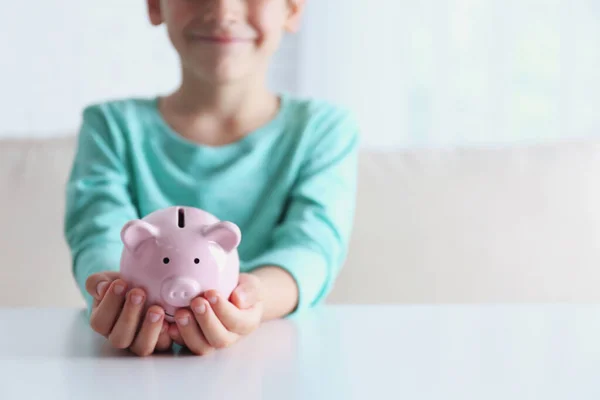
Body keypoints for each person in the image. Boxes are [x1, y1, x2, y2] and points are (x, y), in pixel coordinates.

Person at [63, 0, 360, 357]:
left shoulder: (322, 131)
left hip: (279, 358)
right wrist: (121, 298)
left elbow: (313, 247)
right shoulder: (110, 128)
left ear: (292, 9)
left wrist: (252, 299)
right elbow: (99, 233)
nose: (222, 12)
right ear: (156, 6)